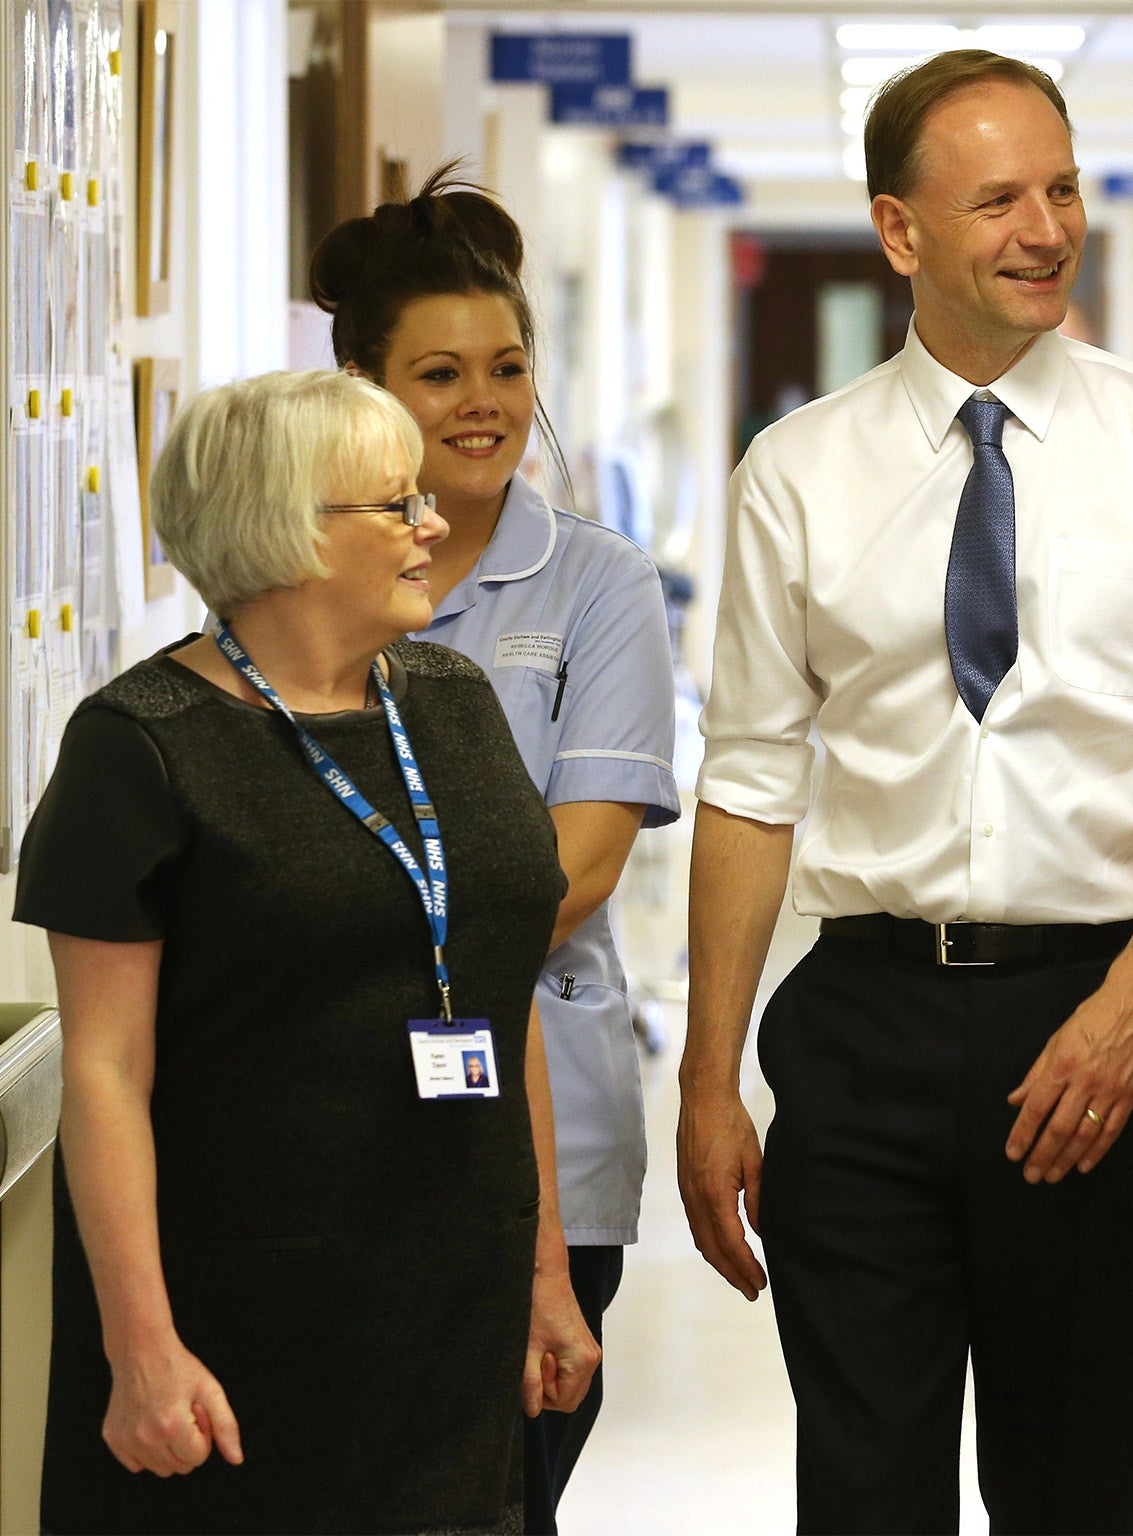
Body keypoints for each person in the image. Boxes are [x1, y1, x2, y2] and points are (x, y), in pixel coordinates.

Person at [678, 49, 1133, 1534]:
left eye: (1063, 188)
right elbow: (753, 775)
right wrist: (707, 1072)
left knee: (1071, 1488)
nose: (1047, 228)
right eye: (1000, 198)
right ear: (900, 231)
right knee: (866, 1483)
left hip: (1103, 1017)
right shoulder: (799, 471)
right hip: (863, 1029)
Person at [15, 370, 597, 1534]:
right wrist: (140, 1348)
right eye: (397, 506)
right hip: (237, 1325)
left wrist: (545, 1277)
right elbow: (105, 1075)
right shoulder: (141, 749)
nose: (434, 526)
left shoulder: (452, 700)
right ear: (283, 529)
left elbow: (497, 995)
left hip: (452, 1312)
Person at [310, 167, 682, 1531]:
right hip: (328, 1117)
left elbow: (569, 878)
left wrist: (336, 921)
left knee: (507, 1495)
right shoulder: (302, 579)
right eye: (441, 371)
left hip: (551, 1144)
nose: (484, 402)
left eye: (509, 367)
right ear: (360, 383)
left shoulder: (600, 585)